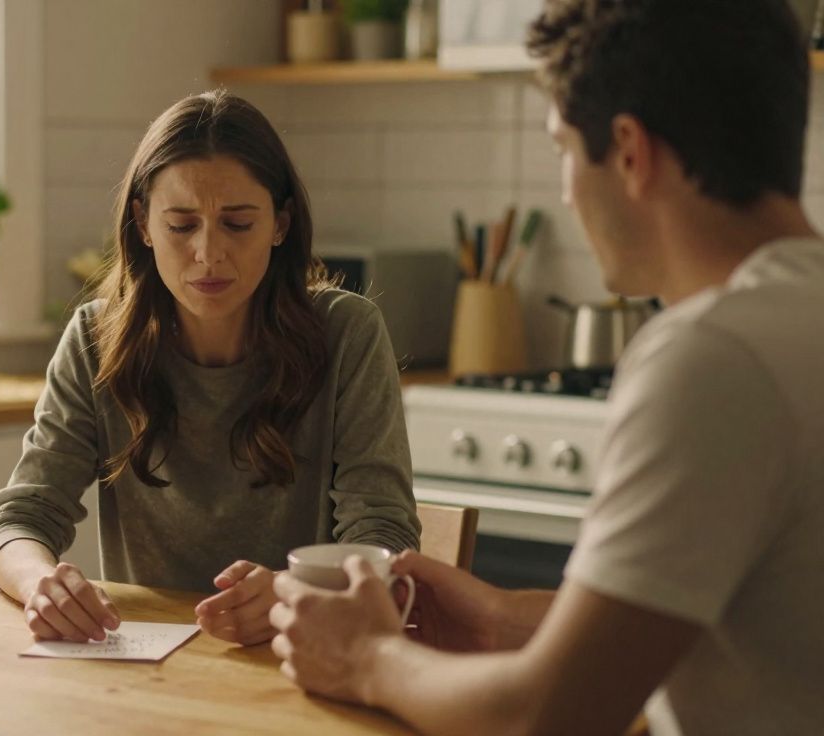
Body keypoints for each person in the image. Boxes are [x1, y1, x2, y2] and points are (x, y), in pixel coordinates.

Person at [269, 1, 824, 734]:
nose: (564, 190)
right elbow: (748, 630)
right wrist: (505, 619)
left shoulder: (714, 357)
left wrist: (367, 657)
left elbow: (545, 718)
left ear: (629, 151)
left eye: (562, 148)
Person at [0, 90, 419, 647]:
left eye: (237, 224)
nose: (209, 253)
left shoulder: (347, 333)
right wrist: (41, 583)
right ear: (143, 224)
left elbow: (384, 535)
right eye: (181, 225)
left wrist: (294, 593)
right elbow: (22, 518)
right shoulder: (96, 339)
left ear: (280, 223)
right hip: (146, 666)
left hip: (301, 651)